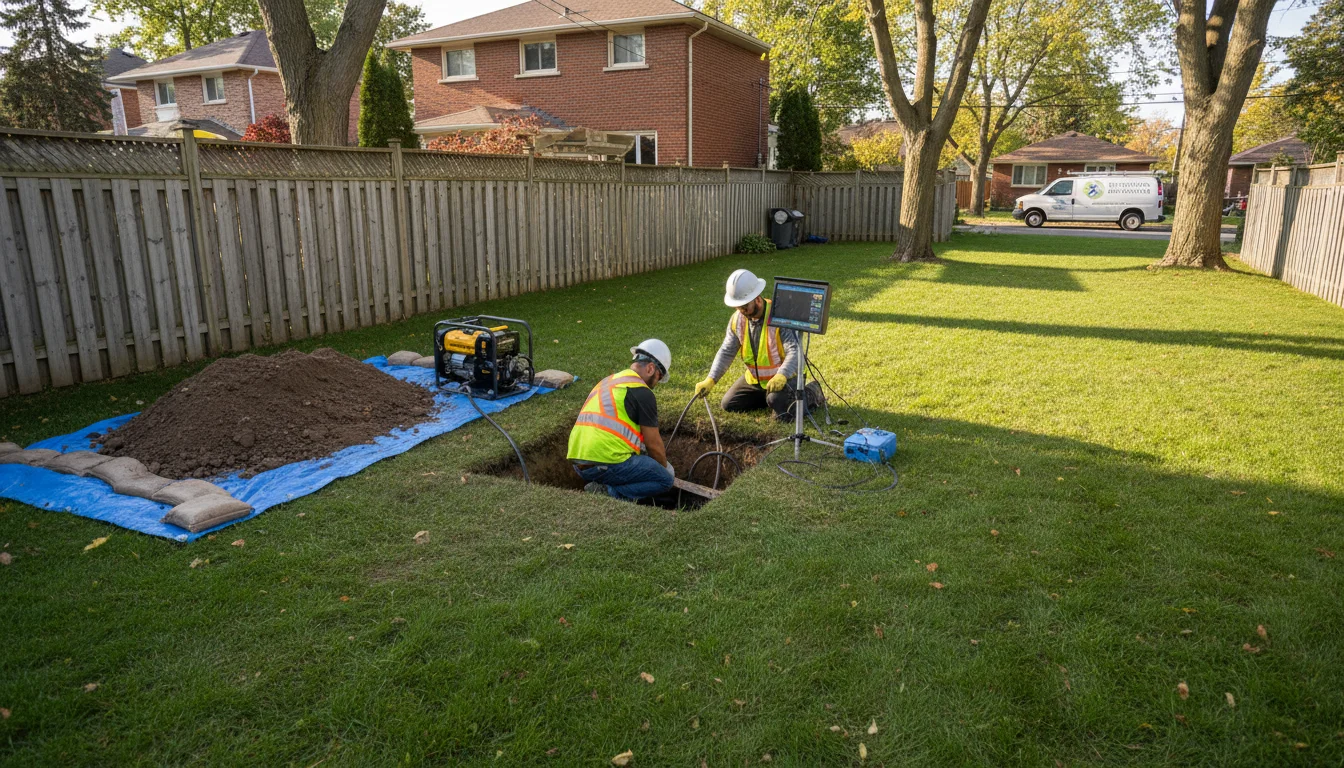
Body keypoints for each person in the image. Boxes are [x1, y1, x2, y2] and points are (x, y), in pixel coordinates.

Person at [693, 269, 819, 419]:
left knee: (783, 414)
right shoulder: (737, 319)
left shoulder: (780, 315)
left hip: (787, 377)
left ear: (757, 299)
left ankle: (812, 393)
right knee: (729, 404)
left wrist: (782, 375)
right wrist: (710, 379)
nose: (742, 311)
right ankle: (770, 398)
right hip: (756, 381)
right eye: (738, 307)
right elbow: (726, 351)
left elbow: (794, 351)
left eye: (745, 307)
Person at [567, 339, 676, 502]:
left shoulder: (609, 381)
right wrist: (665, 468)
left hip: (579, 464)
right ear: (651, 368)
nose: (657, 383)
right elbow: (654, 445)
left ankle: (601, 485)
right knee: (665, 479)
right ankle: (611, 493)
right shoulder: (642, 392)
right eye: (659, 377)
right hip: (606, 462)